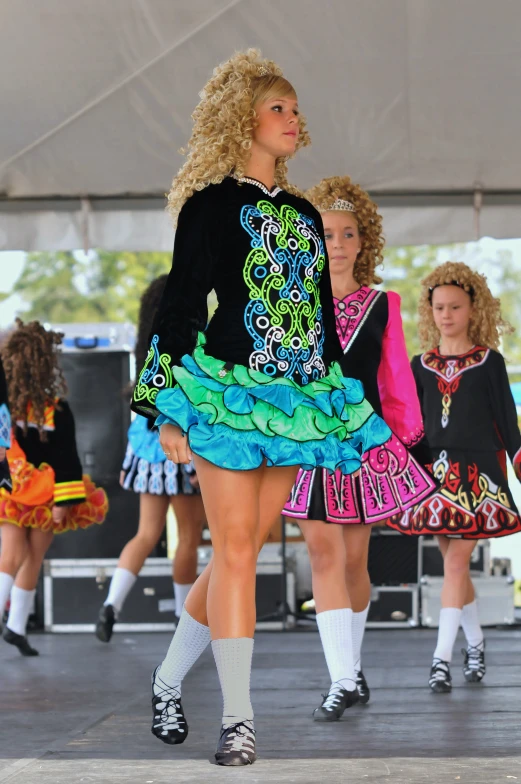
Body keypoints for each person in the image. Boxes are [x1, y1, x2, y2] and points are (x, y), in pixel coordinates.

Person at [131, 50, 392, 766]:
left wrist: (343, 405)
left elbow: (318, 323)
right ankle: (239, 721)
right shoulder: (211, 206)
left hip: (297, 398)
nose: (293, 119)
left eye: (294, 109)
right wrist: (165, 409)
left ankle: (164, 680)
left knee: (237, 554)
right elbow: (182, 308)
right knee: (238, 550)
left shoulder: (306, 215)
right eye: (279, 107)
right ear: (242, 119)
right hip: (225, 392)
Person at [282, 176, 435, 720]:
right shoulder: (290, 302)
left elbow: (396, 377)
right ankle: (341, 679)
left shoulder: (384, 304)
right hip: (307, 443)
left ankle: (353, 664)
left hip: (366, 445)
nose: (338, 244)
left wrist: (407, 441)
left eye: (349, 234)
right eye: (326, 233)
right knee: (322, 553)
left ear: (363, 242)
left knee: (353, 562)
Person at [387, 262, 521, 692]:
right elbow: (411, 424)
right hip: (432, 475)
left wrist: (518, 459)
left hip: (477, 476)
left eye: (455, 307)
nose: (446, 315)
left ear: (472, 309)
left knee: (456, 563)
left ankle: (440, 659)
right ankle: (476, 645)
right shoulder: (419, 364)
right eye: (439, 307)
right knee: (453, 568)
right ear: (430, 311)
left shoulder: (489, 362)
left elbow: (507, 419)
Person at [96, 277, 205, 642]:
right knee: (188, 537)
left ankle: (111, 604)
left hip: (146, 449)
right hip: (182, 450)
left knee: (145, 534)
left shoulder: (148, 351)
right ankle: (181, 619)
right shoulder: (190, 348)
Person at [0, 320, 108, 655]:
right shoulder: (54, 409)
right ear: (47, 363)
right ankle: (15, 624)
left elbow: (64, 458)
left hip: (29, 493)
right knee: (20, 554)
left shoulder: (14, 408)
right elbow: (67, 458)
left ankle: (16, 627)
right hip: (34, 495)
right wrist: (63, 501)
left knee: (28, 555)